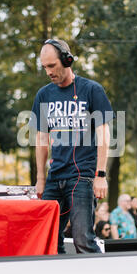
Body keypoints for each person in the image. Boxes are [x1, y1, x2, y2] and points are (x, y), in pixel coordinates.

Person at [31, 39, 114, 254]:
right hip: (54, 178)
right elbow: (41, 139)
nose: (48, 72)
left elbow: (104, 134)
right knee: (47, 240)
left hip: (82, 177)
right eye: (44, 67)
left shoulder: (92, 90)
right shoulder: (43, 95)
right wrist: (40, 179)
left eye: (52, 66)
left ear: (67, 60)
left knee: (83, 240)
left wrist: (101, 174)